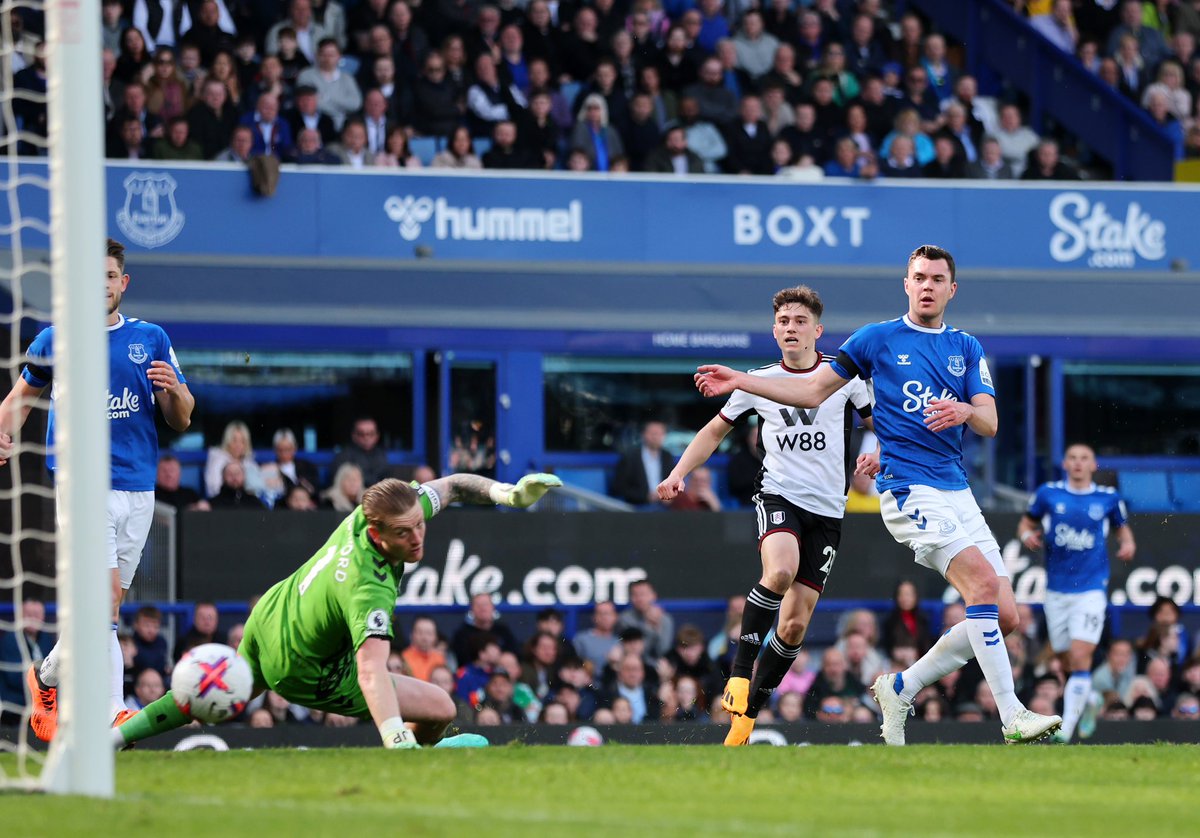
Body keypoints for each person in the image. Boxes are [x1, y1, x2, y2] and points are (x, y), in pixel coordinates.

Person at [695, 244, 1063, 745]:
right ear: (906, 285)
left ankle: (899, 686)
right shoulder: (874, 340)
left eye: (937, 278)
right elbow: (810, 391)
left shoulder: (967, 347)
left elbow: (990, 421)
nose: (928, 285)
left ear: (952, 290)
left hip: (955, 488)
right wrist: (739, 378)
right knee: (979, 586)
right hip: (907, 489)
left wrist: (963, 413)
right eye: (919, 277)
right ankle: (1013, 715)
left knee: (1005, 615)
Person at [115, 472, 561, 750]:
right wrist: (395, 737)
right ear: (377, 533)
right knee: (442, 707)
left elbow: (456, 485)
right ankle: (420, 754)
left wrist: (507, 495)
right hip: (301, 668)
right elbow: (371, 672)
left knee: (204, 691)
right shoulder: (369, 586)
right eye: (405, 534)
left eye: (420, 525)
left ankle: (116, 738)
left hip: (271, 615)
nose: (418, 538)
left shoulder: (387, 511)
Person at [0, 238, 194, 741]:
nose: (101, 285)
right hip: (81, 485)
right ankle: (113, 709)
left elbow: (183, 416)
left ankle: (44, 678)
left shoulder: (150, 338)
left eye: (109, 276)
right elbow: (20, 397)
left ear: (121, 283)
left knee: (103, 610)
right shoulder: (55, 340)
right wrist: (4, 431)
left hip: (139, 488)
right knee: (105, 599)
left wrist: (173, 390)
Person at [661, 285, 873, 745]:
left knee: (795, 625)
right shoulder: (755, 381)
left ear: (818, 331)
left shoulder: (847, 381)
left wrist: (884, 455)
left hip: (829, 511)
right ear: (774, 331)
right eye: (783, 322)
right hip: (778, 496)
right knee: (779, 571)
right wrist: (678, 473)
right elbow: (713, 431)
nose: (791, 328)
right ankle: (738, 676)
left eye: (800, 322)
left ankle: (749, 713)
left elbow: (883, 427)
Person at [1017, 443, 1135, 742]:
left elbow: (1122, 528)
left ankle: (1066, 731)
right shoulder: (1048, 494)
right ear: (1065, 464)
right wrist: (1026, 535)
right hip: (1056, 590)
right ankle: (1091, 699)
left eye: (1085, 458)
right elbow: (1026, 522)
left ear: (1094, 465)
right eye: (1073, 458)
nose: (1079, 463)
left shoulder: (1107, 498)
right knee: (1064, 657)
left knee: (1081, 655)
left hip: (1092, 589)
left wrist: (1128, 544)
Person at [611, 420, 674, 506]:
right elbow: (618, 488)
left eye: (660, 434)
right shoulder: (630, 457)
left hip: (665, 506)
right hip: (638, 507)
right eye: (653, 433)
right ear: (644, 434)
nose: (656, 437)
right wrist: (646, 496)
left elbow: (673, 483)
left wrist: (669, 496)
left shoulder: (667, 457)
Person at [330, 416, 391, 487]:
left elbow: (387, 480)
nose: (366, 438)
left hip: (377, 495)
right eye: (361, 434)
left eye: (371, 434)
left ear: (377, 436)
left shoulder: (381, 454)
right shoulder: (344, 456)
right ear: (354, 436)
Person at [401, 615, 446, 682]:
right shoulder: (403, 658)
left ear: (436, 637)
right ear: (411, 635)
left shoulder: (440, 658)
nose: (424, 638)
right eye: (420, 632)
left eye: (429, 633)